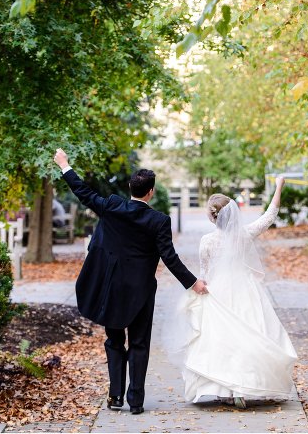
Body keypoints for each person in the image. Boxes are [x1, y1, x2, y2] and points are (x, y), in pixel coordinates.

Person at [53, 149, 207, 415]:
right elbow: (169, 257)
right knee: (139, 344)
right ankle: (135, 401)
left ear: (131, 188)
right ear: (151, 192)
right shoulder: (159, 221)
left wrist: (64, 164)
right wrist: (194, 283)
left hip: (110, 289)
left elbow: (83, 192)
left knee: (114, 341)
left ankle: (115, 397)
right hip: (141, 292)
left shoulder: (112, 206)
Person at [166, 176, 297, 409]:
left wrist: (199, 289)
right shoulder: (244, 234)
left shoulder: (206, 241)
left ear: (211, 216)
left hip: (218, 291)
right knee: (249, 334)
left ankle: (226, 388)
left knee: (221, 339)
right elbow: (269, 216)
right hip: (246, 290)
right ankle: (243, 388)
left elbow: (204, 272)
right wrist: (279, 186)